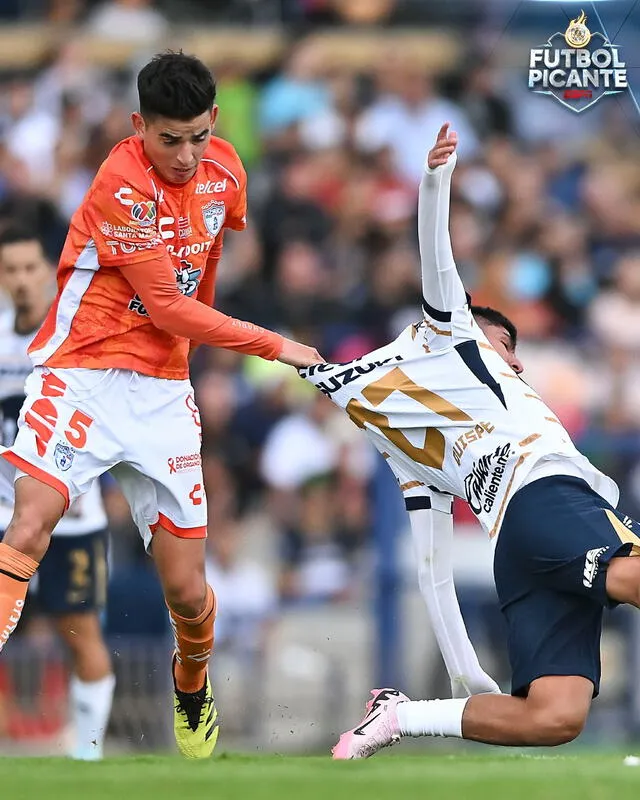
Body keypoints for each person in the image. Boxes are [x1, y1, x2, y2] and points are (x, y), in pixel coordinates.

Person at [0, 51, 323, 761]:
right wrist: (279, 347)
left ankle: (191, 680)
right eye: (168, 139)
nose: (185, 155)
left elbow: (203, 262)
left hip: (161, 397)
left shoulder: (226, 170)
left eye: (197, 137)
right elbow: (171, 307)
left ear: (213, 122)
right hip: (81, 372)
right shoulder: (121, 183)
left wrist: (191, 362)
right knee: (28, 526)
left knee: (187, 591)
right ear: (138, 125)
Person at [301, 123, 640, 758]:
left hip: (517, 544)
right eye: (505, 342)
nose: (514, 358)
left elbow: (432, 566)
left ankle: (400, 718)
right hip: (549, 496)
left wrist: (462, 671)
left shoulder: (407, 442)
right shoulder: (459, 343)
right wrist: (436, 178)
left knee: (555, 716)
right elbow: (437, 256)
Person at [0, 226, 115, 760]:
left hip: (73, 514)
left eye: (29, 268)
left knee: (81, 634)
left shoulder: (73, 336)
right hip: (5, 513)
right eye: (10, 270)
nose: (21, 281)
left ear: (50, 271)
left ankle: (86, 757)